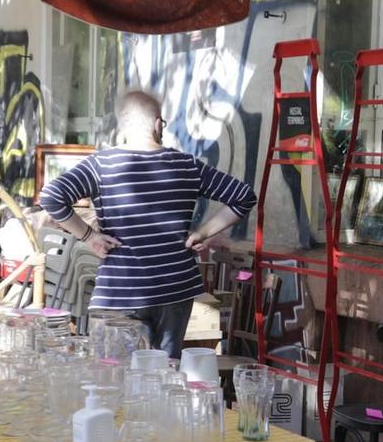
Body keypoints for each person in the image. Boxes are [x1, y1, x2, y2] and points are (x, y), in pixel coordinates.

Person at [39, 90, 256, 357]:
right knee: (162, 376)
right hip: (176, 288)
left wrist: (89, 237)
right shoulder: (187, 165)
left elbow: (51, 197)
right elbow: (243, 196)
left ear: (124, 125)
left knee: (113, 381)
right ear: (157, 124)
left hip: (121, 290)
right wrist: (202, 233)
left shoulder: (101, 165)